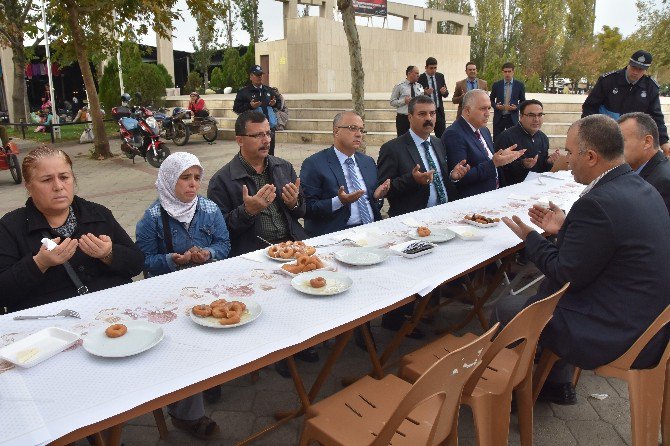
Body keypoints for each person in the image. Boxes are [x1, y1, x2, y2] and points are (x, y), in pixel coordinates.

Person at [496, 114, 670, 405]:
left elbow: (566, 273)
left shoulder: (597, 203)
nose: (565, 159)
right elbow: (603, 248)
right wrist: (564, 230)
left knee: (510, 307)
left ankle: (511, 396)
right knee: (547, 296)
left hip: (620, 330)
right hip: (648, 318)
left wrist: (531, 238)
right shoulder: (639, 185)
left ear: (590, 156)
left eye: (569, 152)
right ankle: (553, 383)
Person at [135, 152, 229, 438]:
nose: (192, 185)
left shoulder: (210, 209)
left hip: (207, 287)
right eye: (185, 178)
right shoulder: (151, 219)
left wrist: (208, 253)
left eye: (197, 178)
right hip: (169, 295)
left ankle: (209, 376)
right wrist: (171, 260)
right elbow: (142, 261)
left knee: (216, 333)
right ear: (167, 180)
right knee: (182, 348)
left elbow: (224, 244)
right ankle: (186, 415)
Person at [0, 145, 144, 313]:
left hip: (112, 312)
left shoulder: (98, 214)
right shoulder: (10, 227)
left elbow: (137, 264)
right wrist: (39, 263)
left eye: (64, 177)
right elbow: (3, 294)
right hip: (50, 326)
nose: (58, 186)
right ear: (29, 186)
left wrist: (109, 254)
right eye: (47, 180)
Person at [376, 95, 469, 336]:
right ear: (409, 117)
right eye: (422, 114)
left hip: (439, 218)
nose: (429, 119)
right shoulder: (393, 149)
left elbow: (441, 180)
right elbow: (384, 188)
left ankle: (427, 313)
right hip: (410, 221)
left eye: (432, 114)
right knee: (410, 275)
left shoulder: (438, 143)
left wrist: (454, 177)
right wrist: (412, 180)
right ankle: (396, 320)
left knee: (436, 269)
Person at [300, 111, 390, 237]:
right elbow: (307, 208)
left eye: (361, 130)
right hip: (337, 234)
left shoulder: (367, 162)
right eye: (352, 128)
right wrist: (339, 201)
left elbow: (374, 205)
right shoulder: (314, 164)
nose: (359, 134)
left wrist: (376, 197)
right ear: (336, 131)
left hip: (371, 229)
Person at [442, 89, 525, 198]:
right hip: (473, 201)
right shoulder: (454, 134)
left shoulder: (484, 130)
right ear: (467, 110)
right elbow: (460, 177)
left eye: (489, 108)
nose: (487, 114)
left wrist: (501, 157)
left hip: (493, 195)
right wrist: (494, 163)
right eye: (483, 109)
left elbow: (487, 160)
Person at [583, 50, 669, 155]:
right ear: (628, 64)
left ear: (646, 70)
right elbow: (589, 107)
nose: (636, 72)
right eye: (633, 67)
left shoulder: (651, 87)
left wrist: (664, 141)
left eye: (640, 69)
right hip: (605, 133)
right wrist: (590, 131)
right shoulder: (608, 80)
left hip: (632, 138)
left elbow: (656, 116)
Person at [494, 99, 565, 185]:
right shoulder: (506, 137)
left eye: (540, 115)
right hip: (512, 190)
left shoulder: (543, 138)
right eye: (531, 115)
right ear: (521, 116)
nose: (536, 119)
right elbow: (500, 170)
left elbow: (542, 168)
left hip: (536, 186)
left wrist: (549, 162)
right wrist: (522, 165)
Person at [618, 112, 670, 215]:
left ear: (647, 142)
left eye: (621, 141)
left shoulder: (662, 183)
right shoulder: (648, 170)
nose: (615, 148)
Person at [233, 65, 281, 155]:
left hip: (268, 130)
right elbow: (236, 108)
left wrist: (274, 104)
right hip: (253, 132)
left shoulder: (269, 90)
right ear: (251, 76)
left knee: (269, 154)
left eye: (261, 74)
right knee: (254, 154)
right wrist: (250, 106)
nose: (260, 77)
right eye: (257, 74)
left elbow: (279, 105)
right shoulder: (244, 92)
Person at [489, 62, 526, 140]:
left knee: (513, 140)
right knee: (497, 140)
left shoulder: (519, 85)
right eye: (505, 71)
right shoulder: (497, 85)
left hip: (512, 118)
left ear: (513, 72)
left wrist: (516, 108)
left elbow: (523, 101)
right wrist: (496, 106)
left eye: (509, 71)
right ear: (502, 72)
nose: (507, 74)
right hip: (499, 117)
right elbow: (490, 99)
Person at [418, 57, 449, 138]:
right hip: (426, 112)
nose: (433, 70)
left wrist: (444, 92)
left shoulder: (440, 76)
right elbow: (417, 95)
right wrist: (425, 93)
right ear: (426, 68)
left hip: (438, 111)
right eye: (431, 68)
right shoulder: (420, 78)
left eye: (435, 68)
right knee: (424, 134)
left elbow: (446, 94)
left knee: (442, 135)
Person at [390, 66, 424, 136]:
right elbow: (392, 102)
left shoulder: (420, 86)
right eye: (416, 73)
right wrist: (403, 101)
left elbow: (422, 100)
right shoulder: (399, 86)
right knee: (402, 140)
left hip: (416, 117)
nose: (418, 75)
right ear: (409, 73)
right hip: (403, 118)